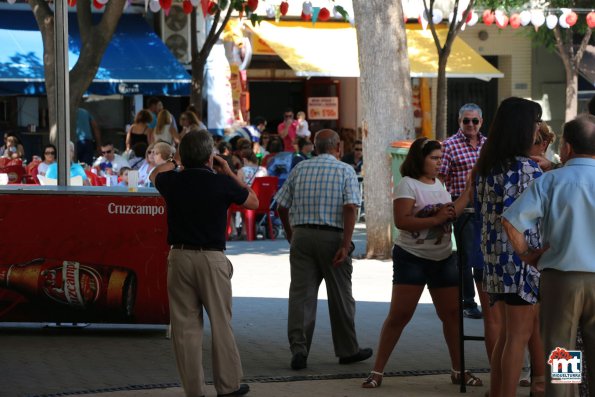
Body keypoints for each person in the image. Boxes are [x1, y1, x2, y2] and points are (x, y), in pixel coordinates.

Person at [362, 137, 481, 389]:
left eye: (441, 158)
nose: (440, 163)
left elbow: (450, 211)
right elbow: (402, 221)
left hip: (443, 257)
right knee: (400, 315)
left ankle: (458, 370)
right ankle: (377, 371)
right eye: (434, 158)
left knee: (451, 315)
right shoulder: (407, 184)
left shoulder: (439, 183)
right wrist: (435, 219)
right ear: (420, 159)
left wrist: (468, 192)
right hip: (412, 259)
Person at [150, 129, 257, 397]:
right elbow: (253, 201)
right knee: (221, 323)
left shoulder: (173, 181)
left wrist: (176, 162)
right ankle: (228, 385)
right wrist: (229, 172)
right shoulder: (221, 183)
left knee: (185, 329)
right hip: (212, 258)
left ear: (184, 156)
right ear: (210, 157)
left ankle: (194, 390)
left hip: (180, 256)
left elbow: (154, 175)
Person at [502, 114, 595, 397]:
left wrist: (528, 255)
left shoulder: (552, 180)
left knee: (562, 350)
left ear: (566, 147)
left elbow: (511, 221)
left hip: (560, 279)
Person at [275, 129, 372, 370]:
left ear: (315, 147)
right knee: (340, 296)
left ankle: (299, 350)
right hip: (333, 237)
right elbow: (350, 207)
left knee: (301, 296)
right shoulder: (345, 170)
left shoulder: (300, 169)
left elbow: (281, 206)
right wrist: (345, 243)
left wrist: (290, 233)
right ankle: (347, 350)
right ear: (338, 146)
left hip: (303, 236)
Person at [474, 97, 545, 397]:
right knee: (519, 335)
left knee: (507, 334)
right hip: (521, 259)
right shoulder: (526, 169)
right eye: (535, 123)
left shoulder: (489, 165)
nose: (538, 129)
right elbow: (524, 219)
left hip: (495, 258)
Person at [439, 103, 485, 320]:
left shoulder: (488, 145)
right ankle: (468, 302)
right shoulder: (449, 146)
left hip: (487, 209)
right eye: (466, 120)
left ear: (481, 122)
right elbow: (439, 179)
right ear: (459, 122)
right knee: (467, 258)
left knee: (484, 257)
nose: (470, 125)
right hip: (463, 210)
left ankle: (489, 299)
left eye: (474, 121)